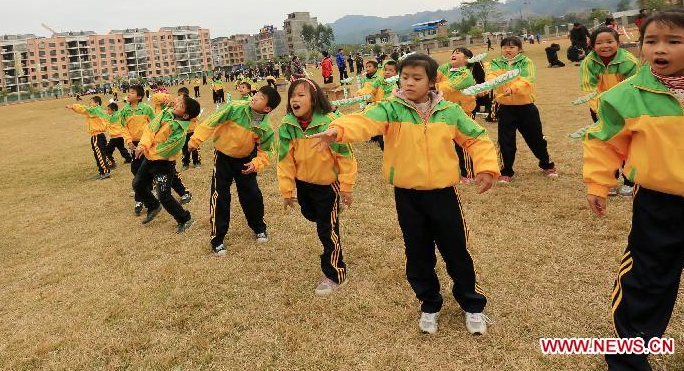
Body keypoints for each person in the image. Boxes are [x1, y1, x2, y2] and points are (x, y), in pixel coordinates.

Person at [314, 54, 498, 335]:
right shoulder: (391, 109)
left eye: (417, 78)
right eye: (405, 77)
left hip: (444, 195)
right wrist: (337, 130)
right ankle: (429, 304)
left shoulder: (449, 111)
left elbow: (476, 137)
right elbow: (363, 122)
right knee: (418, 252)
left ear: (432, 82)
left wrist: (486, 167)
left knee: (456, 250)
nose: (409, 82)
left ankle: (472, 305)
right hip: (407, 196)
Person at [583, 9, 684, 371]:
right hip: (659, 204)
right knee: (646, 283)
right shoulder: (625, 96)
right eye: (651, 41)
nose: (659, 49)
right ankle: (628, 361)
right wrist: (598, 183)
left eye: (674, 41)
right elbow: (603, 141)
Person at [278, 78, 356, 296]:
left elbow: (345, 157)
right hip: (304, 185)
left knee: (326, 229)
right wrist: (287, 190)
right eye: (293, 96)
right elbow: (284, 160)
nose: (295, 99)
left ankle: (335, 274)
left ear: (314, 99)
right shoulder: (288, 126)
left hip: (327, 186)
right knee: (310, 214)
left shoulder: (330, 124)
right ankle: (330, 212)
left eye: (301, 95)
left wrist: (346, 186)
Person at [188, 85, 280, 256]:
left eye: (260, 98)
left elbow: (267, 151)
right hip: (223, 157)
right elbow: (211, 122)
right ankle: (217, 238)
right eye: (256, 94)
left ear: (267, 108)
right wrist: (196, 140)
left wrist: (256, 163)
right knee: (220, 195)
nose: (254, 97)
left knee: (252, 194)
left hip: (246, 160)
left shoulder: (265, 127)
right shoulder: (234, 108)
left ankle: (259, 227)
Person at [579, 26, 640, 197]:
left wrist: (622, 109)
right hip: (600, 109)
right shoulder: (588, 62)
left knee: (628, 143)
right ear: (592, 46)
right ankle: (609, 181)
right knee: (606, 143)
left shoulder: (628, 61)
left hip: (625, 109)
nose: (604, 46)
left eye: (609, 41)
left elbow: (633, 87)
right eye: (599, 43)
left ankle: (630, 181)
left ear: (618, 43)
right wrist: (600, 109)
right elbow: (588, 88)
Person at [487, 37, 557, 182]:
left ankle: (547, 164)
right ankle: (506, 171)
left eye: (512, 47)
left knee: (536, 139)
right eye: (505, 47)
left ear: (519, 48)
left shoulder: (526, 62)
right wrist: (489, 83)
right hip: (505, 108)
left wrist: (512, 88)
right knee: (505, 141)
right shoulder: (496, 62)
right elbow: (491, 75)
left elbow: (527, 79)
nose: (508, 50)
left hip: (526, 108)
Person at [132, 95, 202, 233]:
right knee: (137, 184)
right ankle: (153, 205)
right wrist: (142, 145)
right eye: (179, 102)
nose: (176, 105)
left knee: (164, 195)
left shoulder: (180, 132)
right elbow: (150, 129)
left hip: (163, 165)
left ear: (186, 115)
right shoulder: (166, 113)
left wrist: (148, 150)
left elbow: (167, 149)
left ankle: (185, 219)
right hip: (149, 158)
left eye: (180, 105)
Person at [436, 48, 479, 183]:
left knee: (463, 144)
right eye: (453, 52)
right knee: (444, 144)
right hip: (445, 112)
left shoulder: (466, 73)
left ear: (467, 59)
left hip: (462, 113)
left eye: (458, 53)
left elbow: (450, 86)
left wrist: (430, 86)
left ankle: (468, 173)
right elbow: (433, 75)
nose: (454, 54)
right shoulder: (445, 69)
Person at [117, 85, 155, 215]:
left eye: (132, 92)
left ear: (139, 96)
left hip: (146, 143)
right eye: (128, 92)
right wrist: (128, 141)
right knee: (136, 168)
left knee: (148, 167)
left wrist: (151, 141)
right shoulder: (124, 111)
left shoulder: (146, 109)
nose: (128, 94)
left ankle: (142, 196)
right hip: (134, 144)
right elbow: (123, 128)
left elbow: (153, 125)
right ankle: (144, 190)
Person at [68, 96, 116, 180]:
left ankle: (105, 172)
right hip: (101, 135)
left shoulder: (94, 110)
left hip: (97, 136)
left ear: (97, 103)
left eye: (91, 102)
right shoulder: (100, 111)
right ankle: (108, 165)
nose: (90, 104)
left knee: (99, 154)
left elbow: (84, 109)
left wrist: (73, 106)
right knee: (101, 153)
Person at [177, 87, 201, 170]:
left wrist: (188, 116)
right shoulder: (179, 108)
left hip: (192, 131)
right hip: (183, 132)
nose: (179, 98)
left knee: (194, 148)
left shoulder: (192, 106)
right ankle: (185, 163)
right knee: (184, 148)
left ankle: (196, 161)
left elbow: (195, 117)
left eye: (181, 96)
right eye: (178, 95)